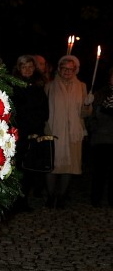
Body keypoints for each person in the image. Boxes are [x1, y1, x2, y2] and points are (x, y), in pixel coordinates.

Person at [44, 55, 93, 209]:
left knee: (70, 166)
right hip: (53, 130)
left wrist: (87, 105)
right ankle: (51, 196)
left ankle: (62, 197)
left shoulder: (82, 87)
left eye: (70, 69)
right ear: (59, 69)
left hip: (73, 133)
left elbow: (85, 114)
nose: (67, 71)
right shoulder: (50, 86)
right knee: (52, 165)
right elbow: (43, 109)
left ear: (75, 70)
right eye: (64, 68)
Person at [10, 55, 48, 211]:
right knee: (17, 167)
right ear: (19, 68)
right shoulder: (13, 86)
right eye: (24, 67)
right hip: (20, 132)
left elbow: (45, 110)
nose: (27, 70)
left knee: (30, 167)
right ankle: (14, 200)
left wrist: (38, 126)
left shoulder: (38, 86)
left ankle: (24, 199)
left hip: (35, 132)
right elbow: (15, 110)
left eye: (30, 67)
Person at [89, 67, 113, 207]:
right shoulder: (100, 94)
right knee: (99, 171)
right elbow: (92, 116)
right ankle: (96, 198)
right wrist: (94, 128)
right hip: (101, 138)